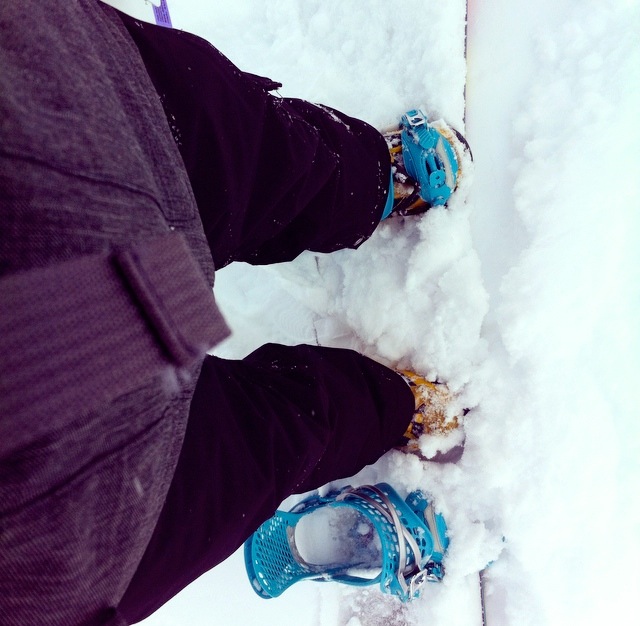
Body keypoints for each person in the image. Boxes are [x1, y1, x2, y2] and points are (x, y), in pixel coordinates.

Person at [0, 2, 468, 624]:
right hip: (68, 529)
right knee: (274, 438)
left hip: (61, 130)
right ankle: (391, 406)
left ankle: (372, 179)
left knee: (264, 160)